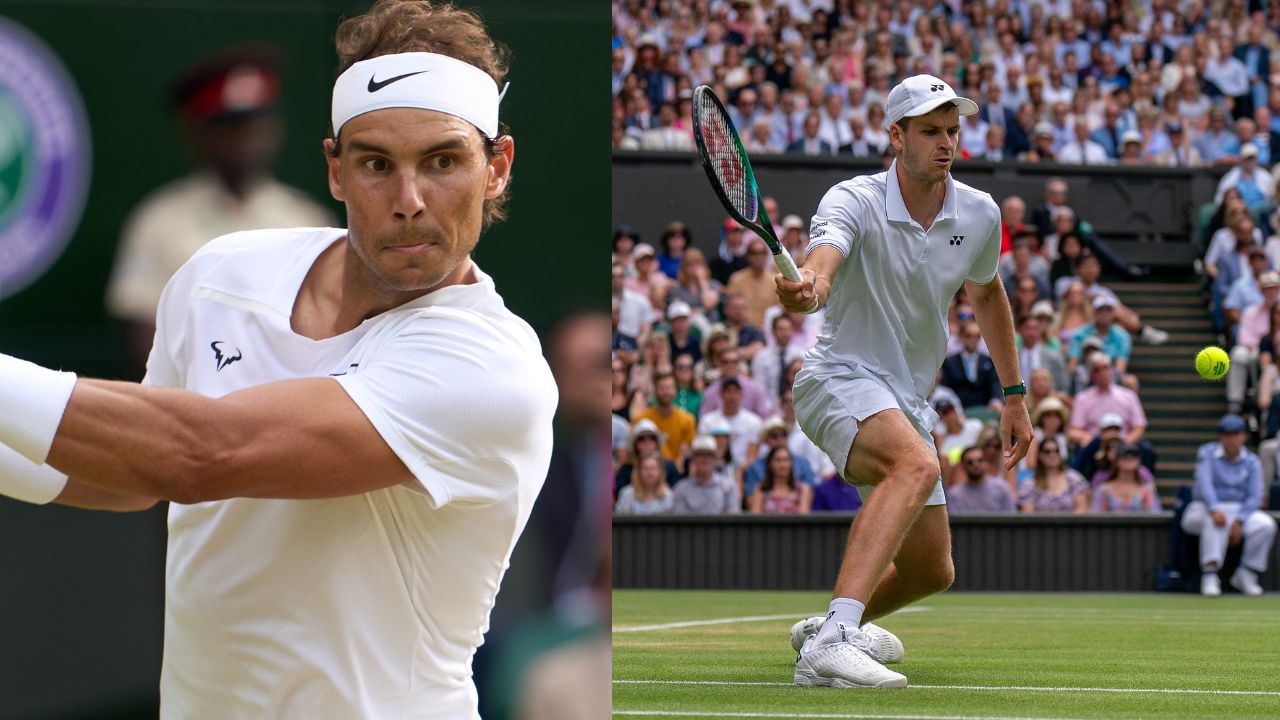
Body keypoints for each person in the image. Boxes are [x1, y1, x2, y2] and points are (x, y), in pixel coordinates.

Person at [0, 3, 558, 716]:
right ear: (335, 169)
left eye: (443, 161)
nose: (410, 200)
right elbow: (132, 474)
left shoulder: (493, 372)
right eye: (376, 164)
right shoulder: (217, 274)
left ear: (497, 168)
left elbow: (199, 454)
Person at [776, 75, 1031, 689]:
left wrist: (1014, 393)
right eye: (929, 131)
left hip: (905, 398)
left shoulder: (979, 212)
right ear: (896, 136)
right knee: (915, 467)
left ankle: (825, 627)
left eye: (952, 131)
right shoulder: (853, 199)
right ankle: (834, 641)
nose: (945, 143)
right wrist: (807, 286)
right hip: (838, 377)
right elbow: (824, 263)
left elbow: (989, 292)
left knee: (930, 570)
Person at [105, 49, 335, 371]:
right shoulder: (159, 220)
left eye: (256, 124)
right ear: (198, 135)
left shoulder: (307, 220)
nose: (245, 139)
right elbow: (144, 331)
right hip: (192, 401)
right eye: (230, 126)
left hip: (287, 399)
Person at [1184, 415, 1277, 596]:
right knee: (1215, 521)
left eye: (1236, 434)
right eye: (1227, 434)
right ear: (1220, 436)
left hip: (1239, 510)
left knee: (1266, 525)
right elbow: (1205, 485)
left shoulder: (1251, 461)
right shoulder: (1207, 453)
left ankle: (1246, 573)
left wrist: (1240, 520)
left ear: (1243, 436)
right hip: (1205, 507)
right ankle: (1210, 574)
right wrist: (1215, 509)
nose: (1231, 438)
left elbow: (1255, 495)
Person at [632, 372, 697, 464]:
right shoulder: (641, 419)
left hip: (675, 471)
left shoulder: (688, 420)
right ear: (655, 391)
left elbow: (685, 451)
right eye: (661, 388)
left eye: (669, 388)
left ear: (675, 391)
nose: (665, 392)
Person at [671, 436, 740, 514]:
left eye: (708, 455)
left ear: (714, 459)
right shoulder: (681, 489)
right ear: (693, 459)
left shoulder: (728, 487)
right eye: (700, 455)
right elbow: (679, 522)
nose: (704, 459)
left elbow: (732, 519)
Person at [1091, 444, 1161, 513]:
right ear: (1116, 460)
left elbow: (1155, 513)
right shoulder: (1104, 490)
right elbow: (1097, 516)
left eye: (1134, 456)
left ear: (1139, 460)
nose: (1129, 458)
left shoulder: (1147, 489)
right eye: (1124, 456)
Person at [945, 445, 1016, 513]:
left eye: (980, 460)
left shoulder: (1002, 488)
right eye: (970, 462)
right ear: (962, 466)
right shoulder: (954, 495)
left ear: (986, 462)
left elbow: (1012, 519)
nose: (975, 465)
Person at [746, 445, 813, 514]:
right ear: (770, 464)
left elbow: (804, 518)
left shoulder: (802, 489)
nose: (782, 465)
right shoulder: (761, 489)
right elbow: (755, 516)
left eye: (786, 460)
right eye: (778, 460)